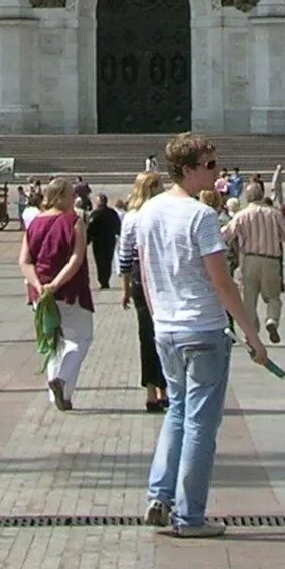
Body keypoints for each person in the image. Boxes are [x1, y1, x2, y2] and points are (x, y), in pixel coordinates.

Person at [129, 132, 269, 539]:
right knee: (200, 426)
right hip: (203, 329)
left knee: (176, 413)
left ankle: (159, 496)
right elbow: (222, 283)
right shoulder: (202, 216)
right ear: (187, 170)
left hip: (167, 330)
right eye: (210, 165)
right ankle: (189, 517)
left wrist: (158, 319)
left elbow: (146, 272)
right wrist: (252, 335)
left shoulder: (148, 210)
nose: (217, 171)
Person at [21, 173, 95, 409]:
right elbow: (76, 257)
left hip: (40, 292)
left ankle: (60, 395)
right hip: (69, 290)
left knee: (54, 342)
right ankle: (60, 380)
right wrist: (57, 283)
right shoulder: (74, 220)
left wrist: (38, 284)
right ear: (60, 197)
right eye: (72, 194)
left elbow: (24, 260)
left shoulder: (35, 222)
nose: (76, 198)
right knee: (80, 338)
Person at [222, 176, 285, 343]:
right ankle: (272, 320)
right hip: (271, 260)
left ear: (247, 197)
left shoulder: (241, 215)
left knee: (249, 300)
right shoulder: (275, 214)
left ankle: (251, 332)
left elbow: (226, 235)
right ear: (262, 194)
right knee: (273, 297)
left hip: (249, 260)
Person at [119, 170, 169, 411]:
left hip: (140, 276)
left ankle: (151, 391)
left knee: (146, 335)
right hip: (162, 275)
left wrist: (125, 287)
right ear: (153, 188)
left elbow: (124, 255)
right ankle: (165, 388)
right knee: (166, 333)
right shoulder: (164, 214)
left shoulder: (131, 217)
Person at [87, 192, 122, 291]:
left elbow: (90, 227)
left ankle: (103, 280)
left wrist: (88, 239)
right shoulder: (112, 212)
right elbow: (117, 224)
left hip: (99, 241)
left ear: (100, 202)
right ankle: (105, 279)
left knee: (100, 261)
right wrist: (118, 233)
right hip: (109, 240)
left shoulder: (96, 213)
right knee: (108, 260)